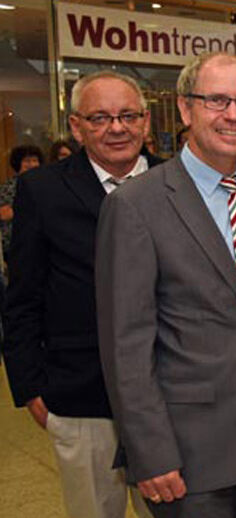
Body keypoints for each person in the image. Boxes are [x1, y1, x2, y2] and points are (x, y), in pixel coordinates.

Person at [95, 52, 236, 518]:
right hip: (187, 452)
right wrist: (150, 451)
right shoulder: (137, 205)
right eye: (217, 100)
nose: (233, 115)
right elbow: (126, 346)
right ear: (185, 109)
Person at [1, 70, 159, 518]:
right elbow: (24, 295)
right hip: (80, 395)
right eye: (100, 117)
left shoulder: (178, 184)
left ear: (146, 122)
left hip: (170, 394)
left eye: (128, 115)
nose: (117, 127)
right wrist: (31, 387)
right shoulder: (43, 191)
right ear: (76, 126)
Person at [1, 145, 44, 249]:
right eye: (27, 161)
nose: (32, 165)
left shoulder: (45, 185)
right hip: (14, 243)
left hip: (41, 242)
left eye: (35, 160)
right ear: (17, 163)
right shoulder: (7, 188)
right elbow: (5, 214)